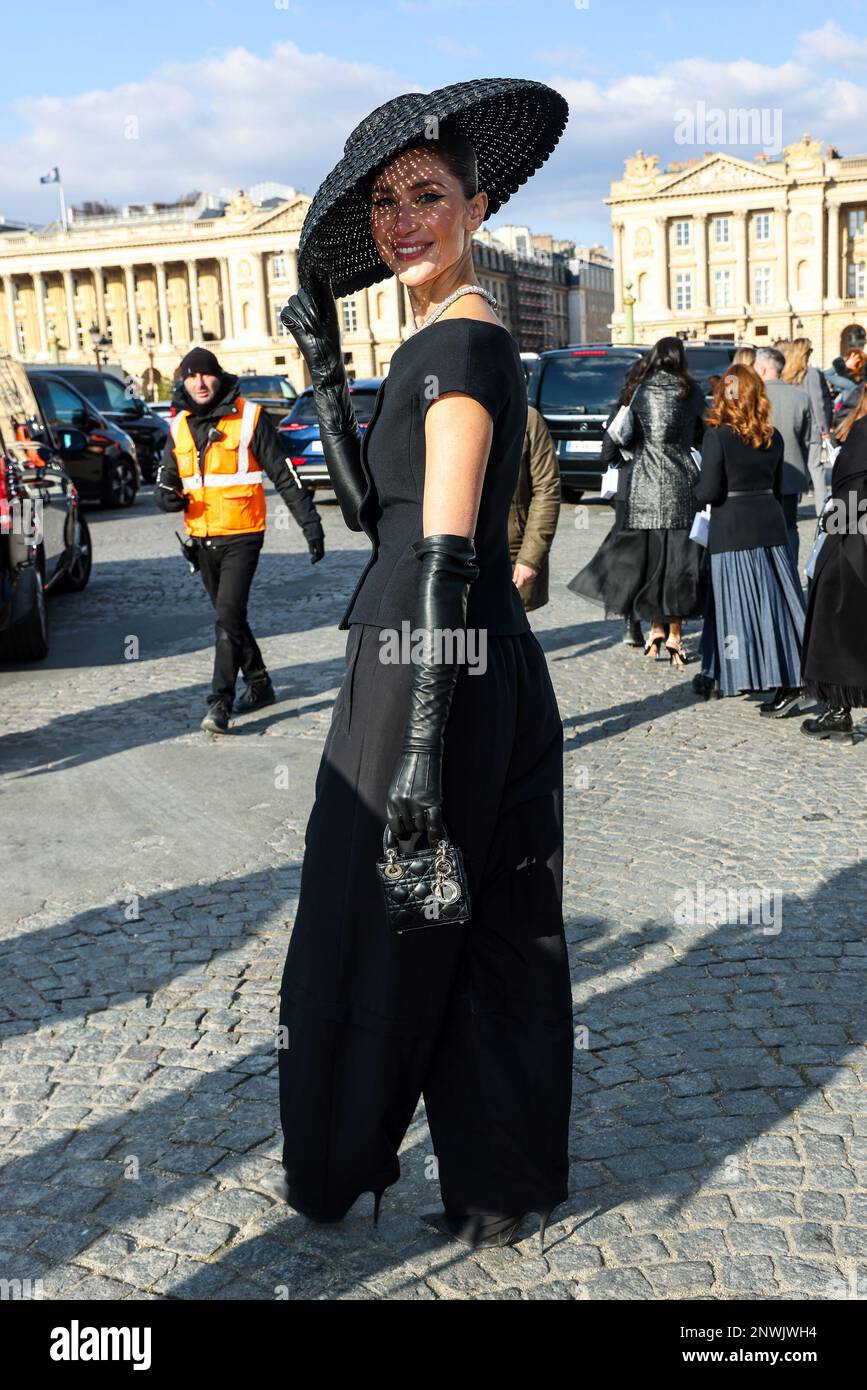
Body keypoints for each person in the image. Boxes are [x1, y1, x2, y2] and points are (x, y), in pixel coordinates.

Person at [275, 80, 574, 1250]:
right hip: (458, 645)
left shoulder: (459, 339)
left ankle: (340, 1160)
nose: (405, 219)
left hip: (427, 655)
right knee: (491, 922)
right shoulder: (451, 334)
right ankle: (500, 1179)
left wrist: (410, 760)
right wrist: (324, 379)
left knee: (370, 916)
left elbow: (446, 553)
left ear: (478, 204)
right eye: (389, 203)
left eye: (430, 197)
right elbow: (376, 515)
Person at [154, 347, 324, 732]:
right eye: (191, 376)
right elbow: (167, 478)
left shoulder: (249, 417)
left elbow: (283, 474)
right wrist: (165, 496)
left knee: (227, 617)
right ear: (183, 381)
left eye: (206, 375)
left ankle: (220, 702)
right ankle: (260, 682)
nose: (199, 383)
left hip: (243, 534)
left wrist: (310, 525)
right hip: (200, 537)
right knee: (230, 618)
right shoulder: (178, 425)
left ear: (219, 376)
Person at [572, 336, 706, 669]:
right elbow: (700, 436)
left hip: (643, 487)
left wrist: (627, 456)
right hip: (682, 486)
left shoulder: (639, 392)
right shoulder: (693, 392)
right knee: (678, 565)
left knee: (649, 563)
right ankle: (674, 632)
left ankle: (655, 628)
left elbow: (618, 440)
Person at [692, 366, 806, 709]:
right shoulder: (772, 436)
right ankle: (784, 672)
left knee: (736, 608)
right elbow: (774, 486)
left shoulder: (718, 436)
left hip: (733, 529)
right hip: (769, 525)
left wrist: (693, 488)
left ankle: (747, 675)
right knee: (775, 606)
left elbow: (709, 490)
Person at [800, 386, 867, 743]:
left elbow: (853, 493)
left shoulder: (863, 431)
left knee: (836, 621)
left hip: (854, 543)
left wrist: (833, 528)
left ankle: (838, 710)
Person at [567, 357, 648, 647]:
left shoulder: (622, 411)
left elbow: (607, 454)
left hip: (627, 492)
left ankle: (631, 621)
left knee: (629, 556)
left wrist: (625, 467)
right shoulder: (659, 408)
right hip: (656, 492)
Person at [754, 346, 812, 565]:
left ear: (761, 367)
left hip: (761, 475)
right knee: (790, 527)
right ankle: (791, 574)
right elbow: (806, 440)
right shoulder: (801, 397)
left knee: (763, 529)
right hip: (791, 472)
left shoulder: (754, 397)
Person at [509, 404, 561, 611]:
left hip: (511, 552)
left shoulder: (527, 418)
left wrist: (530, 558)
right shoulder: (448, 411)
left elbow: (547, 488)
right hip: (457, 554)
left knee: (505, 636)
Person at [782, 337, 833, 514]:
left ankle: (792, 509)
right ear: (806, 353)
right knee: (816, 470)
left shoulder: (787, 374)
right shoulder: (811, 373)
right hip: (811, 429)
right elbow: (817, 404)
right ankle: (823, 512)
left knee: (796, 468)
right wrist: (824, 430)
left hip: (793, 427)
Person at [825, 347, 866, 425]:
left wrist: (841, 363)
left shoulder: (849, 383)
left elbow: (825, 375)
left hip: (848, 420)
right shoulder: (861, 382)